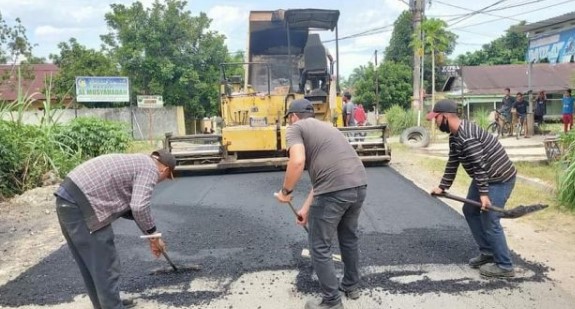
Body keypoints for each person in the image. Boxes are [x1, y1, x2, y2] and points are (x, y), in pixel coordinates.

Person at [54, 149, 176, 309]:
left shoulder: (138, 161)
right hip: (82, 206)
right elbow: (139, 206)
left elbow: (131, 209)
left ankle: (106, 304)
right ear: (164, 170)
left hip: (67, 199)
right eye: (166, 177)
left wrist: (151, 237)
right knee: (105, 262)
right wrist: (153, 234)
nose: (161, 180)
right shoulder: (150, 169)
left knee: (91, 263)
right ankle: (111, 306)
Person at [275, 99, 367, 309]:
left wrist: (285, 192)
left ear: (293, 116)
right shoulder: (327, 128)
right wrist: (306, 209)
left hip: (334, 190)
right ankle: (351, 286)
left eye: (290, 118)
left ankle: (331, 302)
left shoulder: (295, 128)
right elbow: (321, 180)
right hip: (359, 184)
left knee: (319, 245)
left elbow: (296, 161)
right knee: (348, 237)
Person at [427, 99, 517, 279]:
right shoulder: (454, 136)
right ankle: (488, 252)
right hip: (484, 178)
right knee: (470, 210)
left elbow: (479, 165)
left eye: (435, 119)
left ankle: (505, 266)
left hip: (500, 179)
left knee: (490, 218)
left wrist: (484, 195)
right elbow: (453, 162)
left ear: (445, 117)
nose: (434, 123)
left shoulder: (467, 136)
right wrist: (442, 186)